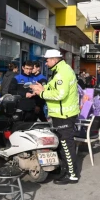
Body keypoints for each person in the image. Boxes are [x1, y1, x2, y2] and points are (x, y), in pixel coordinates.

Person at [30, 49, 80, 185]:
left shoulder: (62, 72)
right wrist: (43, 88)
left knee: (66, 144)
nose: (46, 63)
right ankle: (65, 170)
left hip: (65, 115)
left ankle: (72, 175)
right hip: (61, 114)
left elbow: (59, 95)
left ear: (54, 59)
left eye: (47, 60)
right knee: (62, 145)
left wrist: (41, 93)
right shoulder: (60, 70)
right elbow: (54, 89)